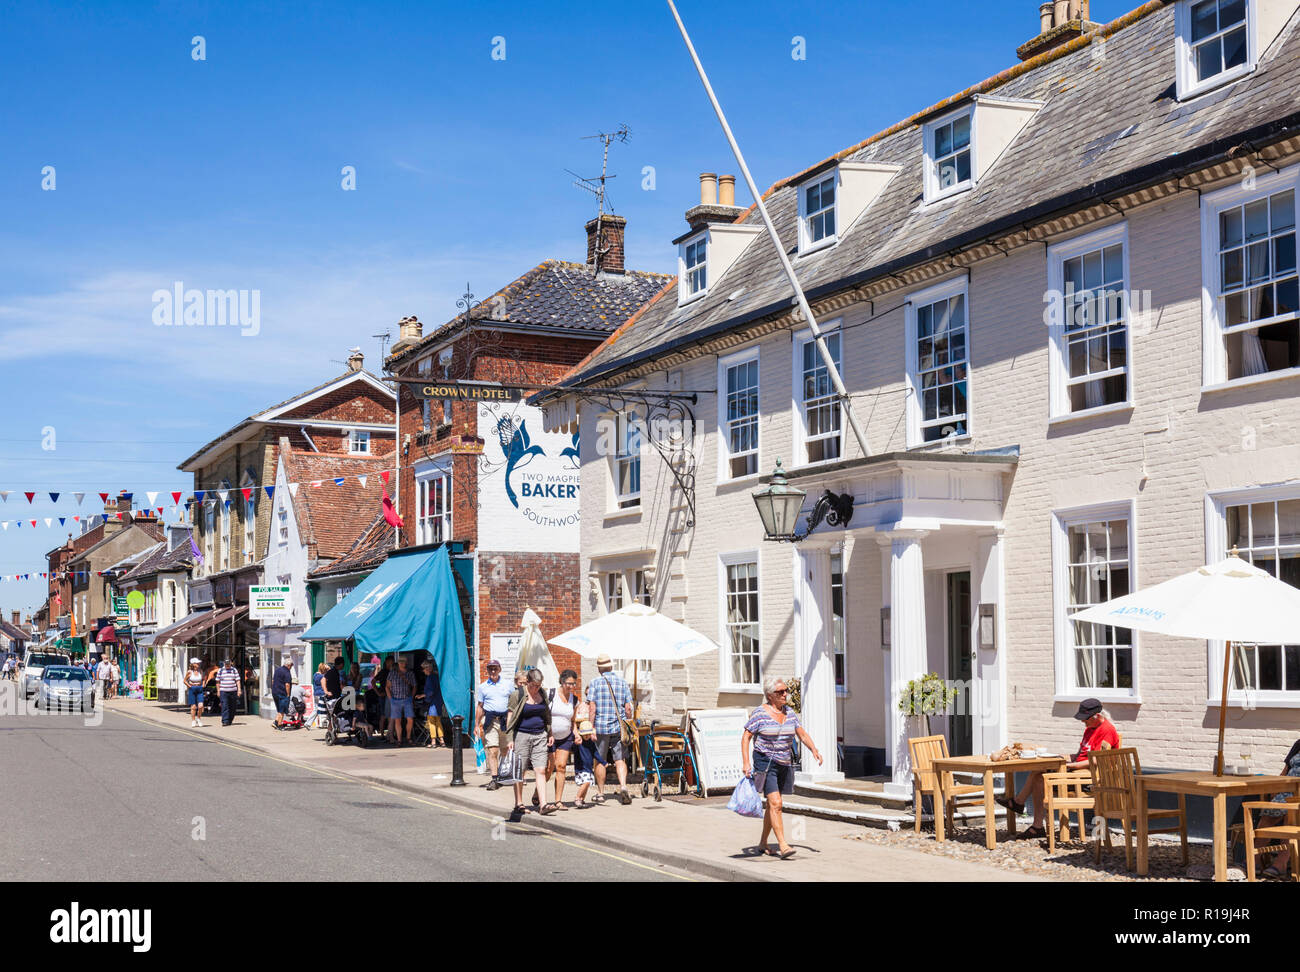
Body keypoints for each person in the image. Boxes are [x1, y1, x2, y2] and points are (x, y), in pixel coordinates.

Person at [997, 697, 1119, 839]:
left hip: (1089, 779)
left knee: (1039, 779)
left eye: (1085, 719)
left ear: (1097, 716)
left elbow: (1096, 762)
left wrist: (1067, 766)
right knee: (1038, 770)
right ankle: (1021, 806)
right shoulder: (1090, 728)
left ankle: (1028, 815)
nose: (1082, 721)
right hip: (1079, 772)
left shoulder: (1106, 730)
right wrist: (1058, 757)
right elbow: (1081, 755)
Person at [741, 675, 823, 859]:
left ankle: (763, 842)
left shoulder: (790, 713)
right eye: (780, 692)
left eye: (786, 690)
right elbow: (746, 737)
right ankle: (783, 845)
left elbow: (801, 734)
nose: (785, 694)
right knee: (777, 803)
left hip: (784, 763)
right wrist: (746, 762)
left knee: (773, 805)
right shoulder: (760, 713)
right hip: (765, 762)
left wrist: (814, 750)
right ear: (770, 695)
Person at [586, 654, 634, 805]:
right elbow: (628, 709)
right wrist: (627, 722)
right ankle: (624, 786)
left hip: (600, 727)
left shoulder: (594, 683)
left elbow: (592, 708)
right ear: (611, 666)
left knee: (600, 760)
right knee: (620, 759)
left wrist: (590, 726)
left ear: (599, 668)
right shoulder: (622, 682)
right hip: (618, 727)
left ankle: (600, 793)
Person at [507, 668, 554, 817]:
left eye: (539, 685)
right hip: (522, 735)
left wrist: (550, 733)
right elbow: (510, 716)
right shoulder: (518, 695)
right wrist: (509, 739)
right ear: (527, 682)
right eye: (533, 685)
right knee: (520, 771)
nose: (536, 688)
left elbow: (546, 714)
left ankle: (543, 804)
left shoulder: (543, 694)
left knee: (541, 770)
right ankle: (519, 803)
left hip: (540, 735)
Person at [1254, 738, 1300, 878]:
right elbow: (1285, 771)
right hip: (1286, 790)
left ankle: (1281, 863)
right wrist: (1275, 791)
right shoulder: (1298, 744)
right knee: (1269, 813)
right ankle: (1254, 859)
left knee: (1291, 815)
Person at [475, 660, 512, 789]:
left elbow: (514, 702)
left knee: (505, 750)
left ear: (499, 669)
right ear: (487, 671)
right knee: (493, 750)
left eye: (495, 668)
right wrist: (476, 724)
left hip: (505, 720)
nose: (493, 671)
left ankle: (503, 774)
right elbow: (480, 707)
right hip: (490, 720)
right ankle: (494, 779)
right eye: (490, 669)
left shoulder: (508, 684)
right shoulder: (483, 687)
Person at [546, 669, 580, 809]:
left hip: (566, 737)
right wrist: (548, 733)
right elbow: (544, 715)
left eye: (573, 684)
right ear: (562, 681)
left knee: (561, 767)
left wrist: (576, 734)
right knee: (549, 768)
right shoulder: (551, 694)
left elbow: (573, 721)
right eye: (568, 684)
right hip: (550, 737)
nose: (571, 687)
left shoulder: (575, 700)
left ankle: (558, 801)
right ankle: (538, 791)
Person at [386, 654, 417, 746]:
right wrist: (390, 699)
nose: (403, 663)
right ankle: (399, 740)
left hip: (407, 699)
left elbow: (414, 686)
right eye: (401, 662)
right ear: (398, 663)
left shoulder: (410, 673)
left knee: (410, 719)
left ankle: (408, 737)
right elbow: (387, 687)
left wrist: (411, 696)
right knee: (397, 720)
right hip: (395, 699)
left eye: (404, 662)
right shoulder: (392, 673)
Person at [417, 658, 447, 748]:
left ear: (427, 669)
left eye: (424, 669)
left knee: (431, 722)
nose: (423, 671)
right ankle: (442, 741)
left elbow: (430, 692)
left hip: (433, 702)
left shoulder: (430, 678)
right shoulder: (436, 677)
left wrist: (422, 696)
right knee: (438, 721)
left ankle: (433, 741)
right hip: (438, 701)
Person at [216, 658, 242, 727]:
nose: (227, 665)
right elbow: (218, 682)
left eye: (228, 664)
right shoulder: (220, 670)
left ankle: (230, 720)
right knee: (225, 706)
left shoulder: (234, 670)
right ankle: (225, 721)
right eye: (226, 664)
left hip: (233, 691)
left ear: (231, 663)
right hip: (223, 691)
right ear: (224, 664)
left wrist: (239, 690)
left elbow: (237, 680)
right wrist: (218, 691)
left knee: (232, 707)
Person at [271, 656, 294, 729]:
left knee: (279, 709)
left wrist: (274, 688)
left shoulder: (277, 670)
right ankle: (280, 725)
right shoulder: (287, 672)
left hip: (275, 692)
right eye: (291, 666)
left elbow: (273, 681)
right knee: (282, 709)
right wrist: (288, 694)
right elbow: (287, 684)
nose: (291, 667)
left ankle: (275, 722)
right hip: (282, 693)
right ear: (289, 665)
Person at [183, 658, 206, 727]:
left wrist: (203, 685)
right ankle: (193, 720)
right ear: (193, 664)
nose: (199, 664)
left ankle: (198, 719)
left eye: (199, 663)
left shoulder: (200, 671)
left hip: (199, 689)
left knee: (200, 706)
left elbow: (203, 679)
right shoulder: (189, 672)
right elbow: (184, 680)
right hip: (192, 689)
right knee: (193, 707)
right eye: (197, 663)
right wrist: (189, 686)